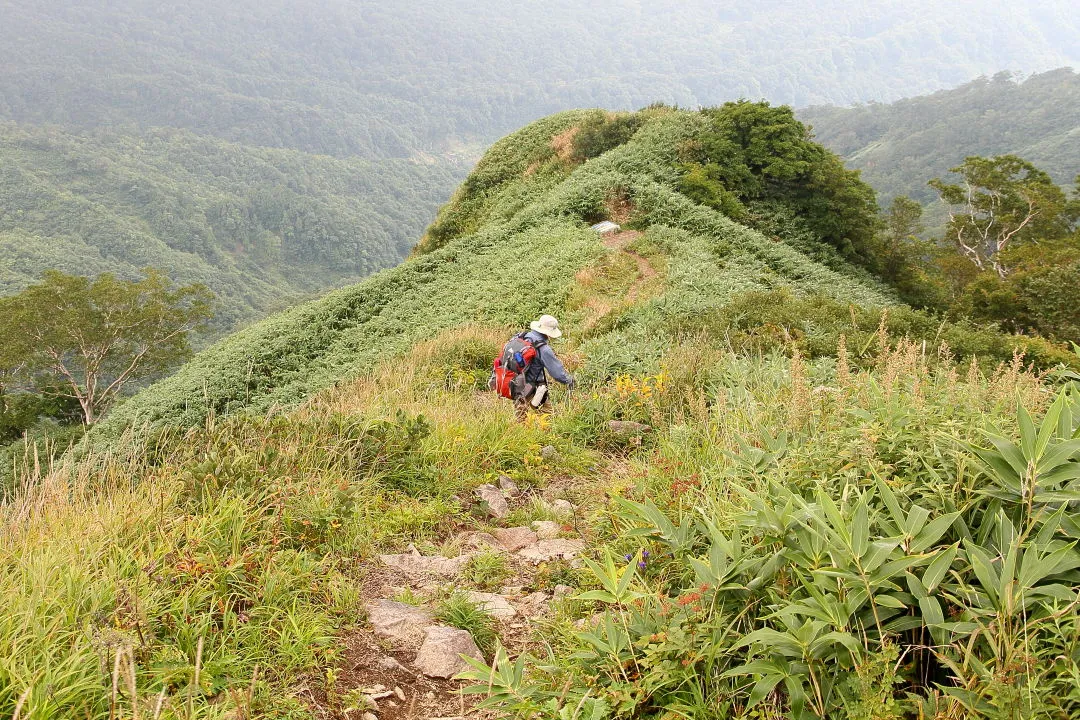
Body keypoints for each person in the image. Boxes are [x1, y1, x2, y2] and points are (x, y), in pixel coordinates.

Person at [491, 314, 575, 416]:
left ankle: (519, 431)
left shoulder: (521, 336)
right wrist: (569, 381)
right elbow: (557, 373)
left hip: (514, 383)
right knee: (547, 416)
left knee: (520, 417)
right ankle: (546, 431)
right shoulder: (543, 348)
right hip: (532, 387)